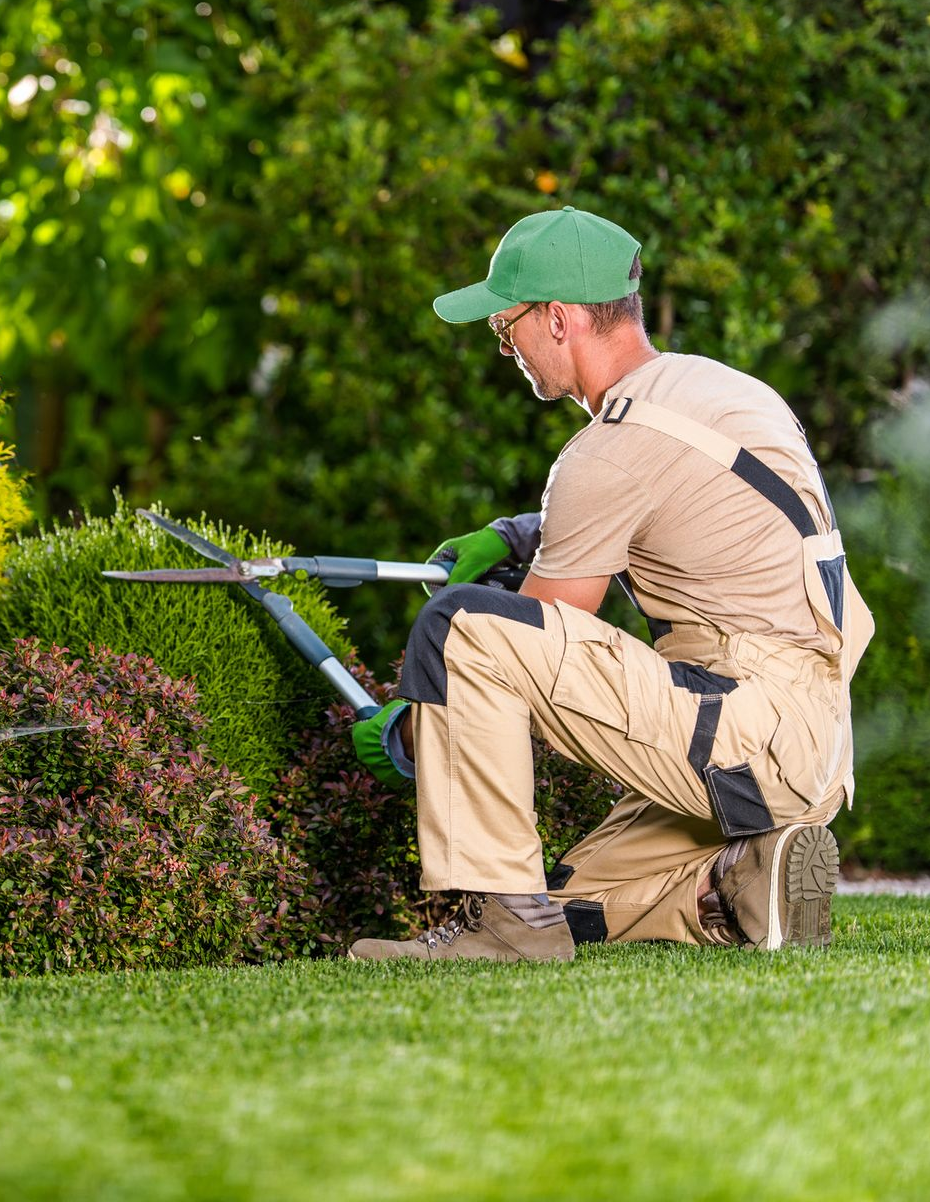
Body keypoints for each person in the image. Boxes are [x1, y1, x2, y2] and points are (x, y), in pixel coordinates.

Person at [346, 206, 872, 963]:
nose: (503, 344)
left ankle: (506, 932)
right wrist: (519, 533)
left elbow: (529, 650)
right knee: (563, 899)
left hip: (743, 733)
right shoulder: (718, 392)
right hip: (809, 743)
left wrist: (409, 729)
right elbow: (681, 506)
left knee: (460, 627)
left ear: (557, 319)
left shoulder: (608, 449)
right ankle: (734, 883)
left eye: (506, 323)